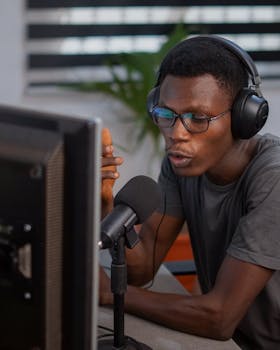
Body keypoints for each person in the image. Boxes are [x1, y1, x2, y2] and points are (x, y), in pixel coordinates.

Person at [99, 35, 280, 349]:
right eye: (167, 115)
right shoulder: (183, 164)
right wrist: (105, 203)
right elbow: (142, 269)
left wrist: (112, 295)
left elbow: (220, 317)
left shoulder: (273, 178)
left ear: (245, 117)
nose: (176, 134)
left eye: (198, 118)